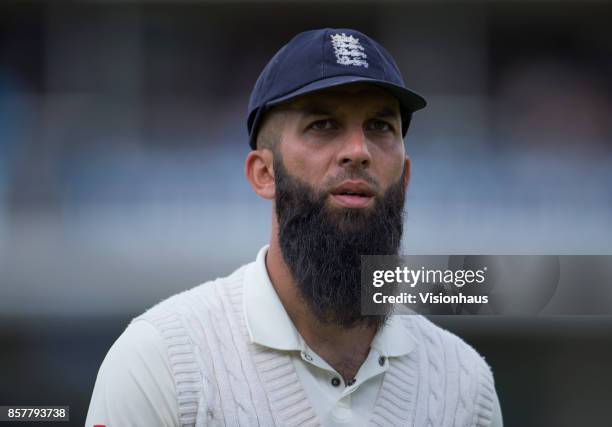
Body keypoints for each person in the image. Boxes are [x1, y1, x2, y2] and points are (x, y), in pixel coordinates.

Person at [86, 28, 503, 427]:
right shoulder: (162, 362)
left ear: (405, 177)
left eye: (380, 126)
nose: (358, 151)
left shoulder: (465, 385)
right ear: (264, 173)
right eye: (322, 125)